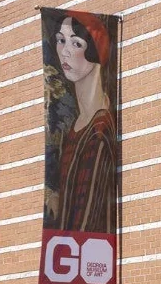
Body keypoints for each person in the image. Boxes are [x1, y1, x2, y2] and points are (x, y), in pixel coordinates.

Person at [49, 12, 117, 234]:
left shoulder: (99, 132)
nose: (65, 51)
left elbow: (87, 219)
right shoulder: (76, 125)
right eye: (61, 40)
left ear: (96, 51)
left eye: (76, 43)